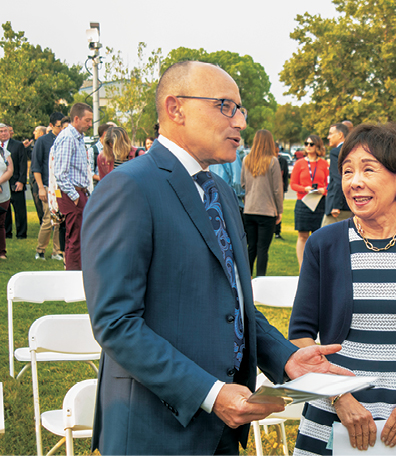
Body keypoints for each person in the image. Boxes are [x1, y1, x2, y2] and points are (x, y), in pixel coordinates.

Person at [81, 61, 348, 455]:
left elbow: (235, 303)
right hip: (155, 431)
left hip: (222, 429)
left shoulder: (218, 193)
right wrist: (210, 393)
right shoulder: (129, 187)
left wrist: (287, 360)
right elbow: (116, 323)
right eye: (225, 106)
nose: (240, 121)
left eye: (240, 109)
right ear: (176, 109)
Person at [289, 122, 396, 456]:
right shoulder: (324, 244)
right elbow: (300, 333)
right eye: (348, 170)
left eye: (368, 170)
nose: (355, 182)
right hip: (337, 406)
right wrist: (339, 397)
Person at [52, 102, 93, 270]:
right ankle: (73, 273)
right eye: (87, 120)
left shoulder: (77, 137)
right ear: (76, 119)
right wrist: (75, 197)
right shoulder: (68, 138)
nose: (90, 124)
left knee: (79, 235)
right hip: (72, 194)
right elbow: (60, 173)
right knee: (75, 236)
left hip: (79, 192)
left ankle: (77, 270)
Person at [241, 129, 283, 276]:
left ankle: (246, 277)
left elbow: (242, 184)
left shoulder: (246, 160)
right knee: (262, 249)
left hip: (249, 209)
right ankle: (260, 279)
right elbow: (277, 189)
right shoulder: (273, 161)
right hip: (266, 211)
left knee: (251, 247)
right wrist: (279, 211)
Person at [290, 134, 328, 267]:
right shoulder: (299, 163)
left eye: (311, 144)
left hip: (319, 202)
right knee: (302, 236)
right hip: (303, 201)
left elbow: (329, 183)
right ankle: (302, 267)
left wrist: (324, 190)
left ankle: (317, 266)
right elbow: (293, 184)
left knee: (318, 236)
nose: (308, 146)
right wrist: (304, 188)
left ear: (317, 145)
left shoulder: (323, 164)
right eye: (306, 143)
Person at [32, 112, 64, 261]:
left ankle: (57, 251)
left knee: (58, 219)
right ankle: (40, 251)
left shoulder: (65, 139)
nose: (62, 129)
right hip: (46, 184)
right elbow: (36, 167)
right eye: (59, 126)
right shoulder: (42, 141)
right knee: (47, 219)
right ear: (51, 126)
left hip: (59, 187)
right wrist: (41, 187)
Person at [0, 124, 27, 240]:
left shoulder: (18, 145)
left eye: (5, 131)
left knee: (20, 211)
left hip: (15, 182)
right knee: (5, 211)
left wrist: (21, 181)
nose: (3, 133)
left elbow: (22, 164)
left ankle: (21, 234)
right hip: (2, 184)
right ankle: (7, 233)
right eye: (1, 131)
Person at [322, 123, 352, 226]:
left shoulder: (336, 152)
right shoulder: (353, 150)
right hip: (351, 203)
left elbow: (339, 179)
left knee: (323, 238)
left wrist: (336, 205)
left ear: (340, 135)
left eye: (330, 134)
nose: (328, 137)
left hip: (338, 207)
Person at [0, 137, 14, 259]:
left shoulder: (4, 152)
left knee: (1, 223)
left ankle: (1, 252)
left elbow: (10, 170)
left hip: (3, 194)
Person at [29, 126, 46, 224]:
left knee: (42, 205)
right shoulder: (35, 144)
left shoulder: (41, 144)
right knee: (37, 204)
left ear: (41, 134)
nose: (33, 132)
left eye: (36, 131)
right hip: (33, 179)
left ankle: (45, 223)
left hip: (41, 180)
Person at [274, 146, 289, 239]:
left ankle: (277, 231)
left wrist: (285, 188)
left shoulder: (282, 161)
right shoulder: (268, 161)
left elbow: (286, 175)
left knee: (279, 209)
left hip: (280, 188)